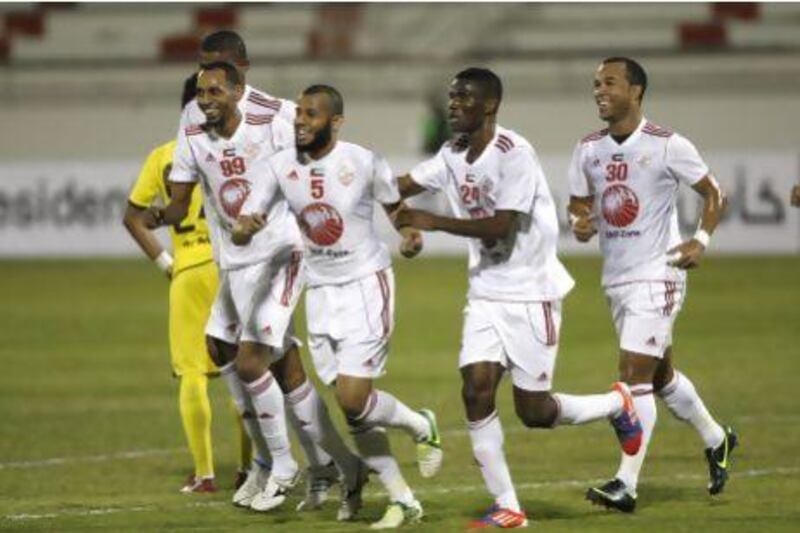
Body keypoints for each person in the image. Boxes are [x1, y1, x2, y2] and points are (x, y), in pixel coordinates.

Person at [392, 67, 643, 529]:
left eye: (463, 97)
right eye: (451, 97)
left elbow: (500, 224)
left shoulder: (515, 154)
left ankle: (616, 405)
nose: (453, 105)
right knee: (475, 390)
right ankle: (508, 506)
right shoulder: (450, 154)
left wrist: (431, 222)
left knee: (536, 412)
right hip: (486, 292)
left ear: (489, 105)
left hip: (532, 294)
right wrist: (396, 217)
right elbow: (396, 186)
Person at [141, 62, 363, 515]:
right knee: (230, 350)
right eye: (200, 92)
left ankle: (279, 466)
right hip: (237, 263)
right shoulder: (193, 135)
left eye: (215, 91)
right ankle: (333, 464)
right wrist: (161, 216)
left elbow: (307, 167)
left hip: (280, 255)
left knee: (250, 361)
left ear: (238, 91)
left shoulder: (270, 128)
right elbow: (181, 202)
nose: (205, 99)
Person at [234, 84, 443, 529]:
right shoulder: (279, 166)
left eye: (311, 115)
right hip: (322, 293)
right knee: (352, 404)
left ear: (336, 121)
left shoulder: (363, 160)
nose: (301, 122)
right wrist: (244, 228)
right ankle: (405, 488)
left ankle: (413, 445)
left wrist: (410, 235)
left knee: (353, 398)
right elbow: (246, 220)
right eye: (298, 116)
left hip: (367, 285)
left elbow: (396, 208)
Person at [567, 57, 738, 513]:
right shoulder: (587, 149)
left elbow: (715, 193)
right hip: (616, 279)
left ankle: (626, 484)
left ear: (636, 91)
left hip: (658, 274)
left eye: (609, 82)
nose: (599, 90)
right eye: (595, 84)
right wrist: (579, 221)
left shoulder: (667, 145)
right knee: (660, 376)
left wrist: (699, 241)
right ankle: (717, 439)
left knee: (632, 378)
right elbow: (577, 203)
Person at [123, 73, 251, 494]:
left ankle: (205, 474)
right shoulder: (231, 151)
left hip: (190, 269)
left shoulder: (164, 156)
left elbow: (133, 217)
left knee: (193, 372)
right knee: (243, 371)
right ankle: (251, 469)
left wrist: (165, 262)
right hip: (232, 267)